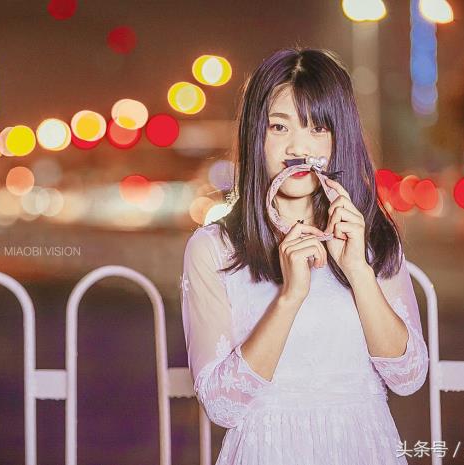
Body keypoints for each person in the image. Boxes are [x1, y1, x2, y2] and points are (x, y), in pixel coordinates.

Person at [180, 48, 429, 464]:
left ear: (339, 137)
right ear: (255, 134)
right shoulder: (213, 249)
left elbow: (409, 376)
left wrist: (359, 271)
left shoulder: (370, 238)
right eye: (279, 126)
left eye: (317, 128)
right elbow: (222, 406)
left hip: (364, 448)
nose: (298, 146)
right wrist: (290, 297)